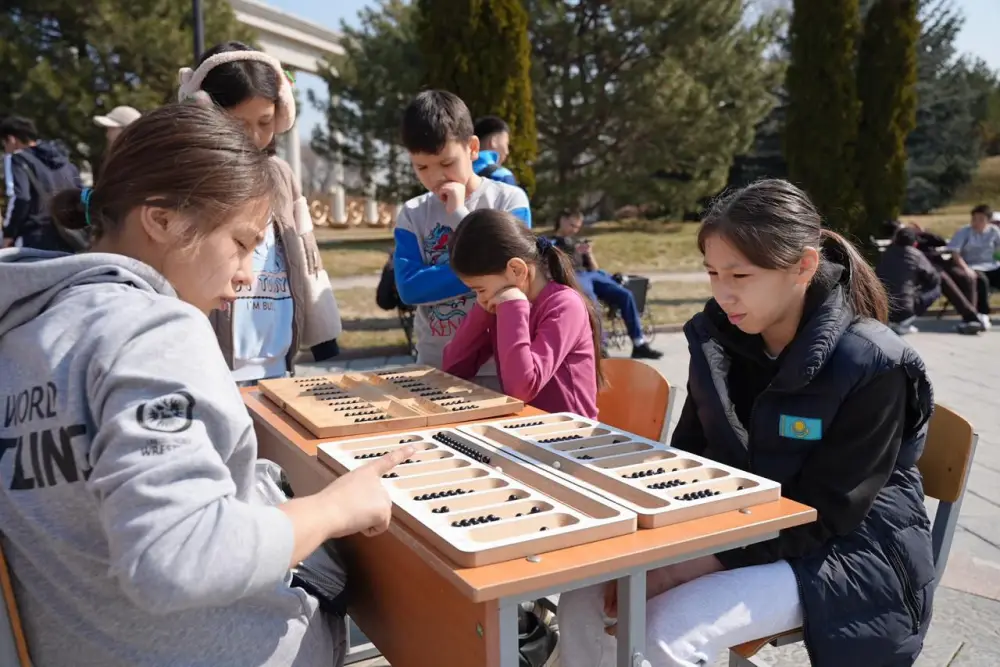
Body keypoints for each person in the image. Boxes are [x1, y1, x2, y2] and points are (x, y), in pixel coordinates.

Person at [0, 103, 414, 667]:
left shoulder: (25, 331)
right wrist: (337, 508)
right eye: (242, 243)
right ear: (162, 220)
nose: (247, 274)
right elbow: (180, 556)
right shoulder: (152, 329)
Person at [557, 179, 935, 667]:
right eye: (713, 272)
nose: (723, 293)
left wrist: (680, 569)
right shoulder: (719, 341)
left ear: (803, 266)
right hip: (744, 528)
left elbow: (829, 513)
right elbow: (691, 458)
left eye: (740, 275)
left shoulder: (874, 363)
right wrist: (649, 549)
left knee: (662, 631)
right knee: (585, 595)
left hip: (848, 551)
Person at [178, 41, 343, 384]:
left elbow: (305, 252)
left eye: (265, 122)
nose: (254, 136)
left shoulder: (282, 174)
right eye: (239, 123)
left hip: (276, 362)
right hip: (209, 368)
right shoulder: (187, 175)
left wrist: (323, 333)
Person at [394, 90, 531, 386]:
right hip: (433, 364)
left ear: (472, 148)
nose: (435, 178)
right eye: (422, 167)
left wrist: (459, 215)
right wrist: (484, 274)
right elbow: (409, 289)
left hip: (498, 365)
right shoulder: (412, 213)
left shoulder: (509, 200)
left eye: (446, 163)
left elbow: (511, 273)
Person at [442, 209, 603, 418]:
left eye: (480, 290)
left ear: (516, 270)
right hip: (527, 430)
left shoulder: (564, 305)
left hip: (571, 438)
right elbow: (454, 369)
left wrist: (513, 306)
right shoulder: (500, 303)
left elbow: (521, 389)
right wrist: (483, 312)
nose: (481, 298)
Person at [551, 208, 662, 359]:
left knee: (625, 294)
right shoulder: (551, 242)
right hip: (573, 275)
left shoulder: (578, 241)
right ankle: (600, 346)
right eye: (572, 225)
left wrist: (588, 253)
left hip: (591, 274)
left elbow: (594, 268)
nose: (575, 230)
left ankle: (639, 343)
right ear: (562, 220)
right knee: (591, 300)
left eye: (578, 227)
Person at [877, 226, 983, 335]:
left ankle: (971, 317)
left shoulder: (885, 254)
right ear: (915, 244)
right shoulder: (915, 254)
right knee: (938, 285)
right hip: (905, 309)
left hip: (883, 308)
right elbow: (934, 279)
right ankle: (971, 317)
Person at [1, 115, 83, 252]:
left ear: (11, 139)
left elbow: (21, 198)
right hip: (69, 238)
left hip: (33, 239)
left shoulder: (18, 159)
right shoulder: (65, 161)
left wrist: (9, 233)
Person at [948, 203, 1000, 325]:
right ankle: (982, 314)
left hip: (992, 265)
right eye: (974, 219)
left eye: (981, 219)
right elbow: (955, 253)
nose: (976, 222)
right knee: (981, 281)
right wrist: (965, 269)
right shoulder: (964, 231)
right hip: (972, 266)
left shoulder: (994, 231)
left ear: (988, 221)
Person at [472, 115, 517, 185]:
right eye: (506, 144)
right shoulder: (503, 176)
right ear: (494, 141)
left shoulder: (458, 173)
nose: (507, 152)